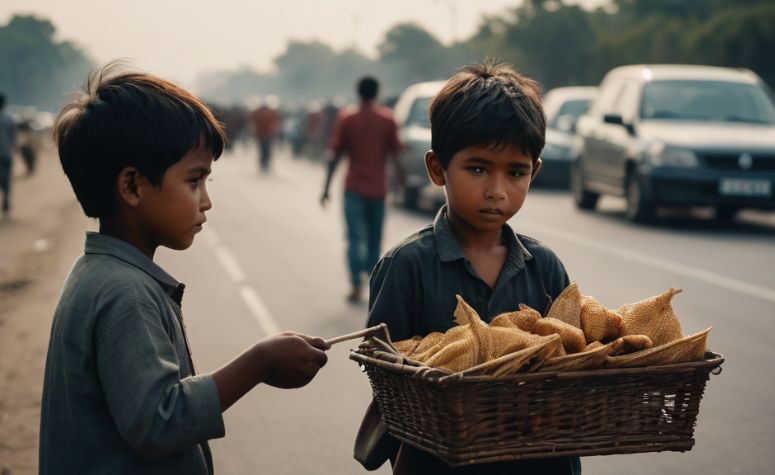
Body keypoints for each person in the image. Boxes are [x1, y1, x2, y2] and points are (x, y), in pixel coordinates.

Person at [39, 63, 330, 474]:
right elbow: (159, 421)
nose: (206, 200)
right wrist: (258, 364)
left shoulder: (101, 274)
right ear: (132, 186)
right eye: (194, 181)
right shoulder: (124, 292)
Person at [362, 62, 581, 474]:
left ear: (533, 172)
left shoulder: (546, 268)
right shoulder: (406, 266)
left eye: (515, 172)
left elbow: (574, 363)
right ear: (436, 168)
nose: (497, 190)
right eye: (478, 169)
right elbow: (387, 379)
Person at [320, 76, 404, 303]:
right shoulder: (387, 119)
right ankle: (373, 283)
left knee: (355, 237)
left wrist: (326, 187)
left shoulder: (348, 118)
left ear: (358, 92)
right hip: (378, 188)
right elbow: (396, 156)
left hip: (353, 187)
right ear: (377, 92)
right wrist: (401, 184)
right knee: (375, 238)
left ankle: (355, 283)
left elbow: (334, 155)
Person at [250, 97, 281, 172]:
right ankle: (264, 163)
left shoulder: (259, 112)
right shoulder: (270, 112)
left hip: (264, 134)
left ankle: (264, 163)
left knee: (264, 150)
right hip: (264, 134)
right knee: (265, 150)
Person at [0, 93, 16, 219]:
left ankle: (5, 200)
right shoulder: (8, 118)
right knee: (6, 180)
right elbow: (13, 138)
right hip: (5, 154)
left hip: (5, 154)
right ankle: (5, 200)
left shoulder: (9, 118)